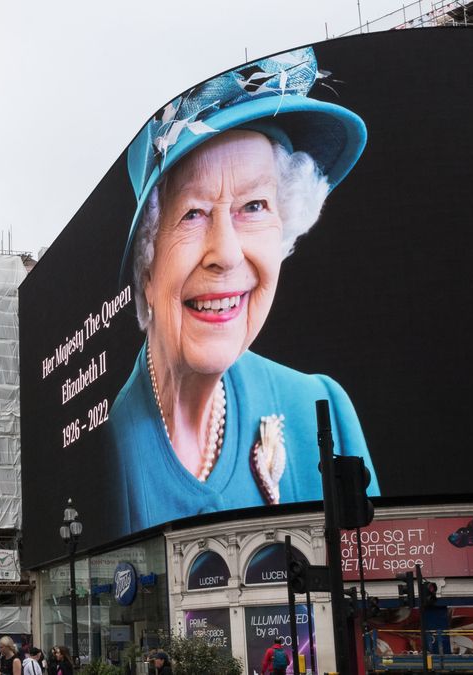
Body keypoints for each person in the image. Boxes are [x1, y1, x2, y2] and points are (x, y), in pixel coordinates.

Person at [109, 45, 379, 533]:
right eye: (193, 214)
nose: (227, 253)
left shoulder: (323, 411)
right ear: (146, 269)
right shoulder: (108, 450)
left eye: (254, 206)